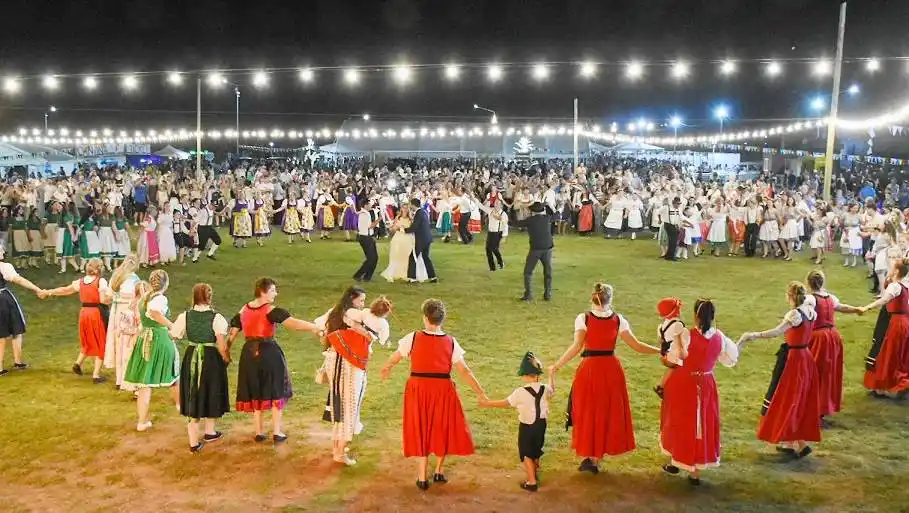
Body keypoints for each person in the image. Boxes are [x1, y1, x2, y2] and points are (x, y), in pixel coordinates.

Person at [550, 283, 660, 474]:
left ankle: (589, 455)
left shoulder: (583, 318)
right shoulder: (618, 320)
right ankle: (596, 458)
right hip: (611, 369)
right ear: (610, 299)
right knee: (605, 411)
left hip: (590, 369)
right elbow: (637, 345)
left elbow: (577, 346)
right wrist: (660, 351)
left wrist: (557, 365)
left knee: (587, 410)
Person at [380, 298, 487, 491]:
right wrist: (480, 392)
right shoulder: (451, 342)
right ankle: (438, 471)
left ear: (424, 317)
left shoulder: (411, 338)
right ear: (442, 319)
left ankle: (422, 477)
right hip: (442, 389)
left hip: (418, 389)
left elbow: (394, 358)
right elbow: (465, 371)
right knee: (442, 427)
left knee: (421, 428)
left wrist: (387, 367)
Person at [228, 277, 322, 443]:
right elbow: (293, 323)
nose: (276, 293)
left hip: (248, 354)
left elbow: (233, 333)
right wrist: (314, 326)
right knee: (275, 388)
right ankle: (277, 431)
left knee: (256, 389)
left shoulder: (244, 309)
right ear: (263, 292)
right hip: (269, 353)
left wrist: (226, 351)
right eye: (272, 290)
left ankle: (259, 431)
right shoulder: (270, 310)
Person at [659, 299, 738, 486]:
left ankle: (678, 461)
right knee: (701, 424)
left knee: (681, 422)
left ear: (696, 315)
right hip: (707, 383)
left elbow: (673, 360)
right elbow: (730, 360)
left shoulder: (686, 335)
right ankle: (694, 472)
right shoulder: (720, 337)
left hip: (684, 382)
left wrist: (663, 356)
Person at [738, 281, 820, 458]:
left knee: (787, 397)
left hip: (794, 359)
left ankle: (795, 441)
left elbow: (776, 332)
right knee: (798, 398)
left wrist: (752, 335)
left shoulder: (795, 314)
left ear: (790, 296)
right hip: (806, 356)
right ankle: (796, 443)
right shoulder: (811, 311)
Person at [317, 289, 392, 466]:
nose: (363, 304)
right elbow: (381, 339)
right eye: (361, 300)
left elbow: (320, 332)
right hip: (352, 365)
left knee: (339, 403)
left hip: (333, 359)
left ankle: (337, 448)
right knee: (351, 407)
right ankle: (339, 452)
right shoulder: (366, 318)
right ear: (352, 299)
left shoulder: (338, 312)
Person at [480, 352, 554, 492]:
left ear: (525, 375)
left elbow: (506, 403)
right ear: (538, 374)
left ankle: (531, 482)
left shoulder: (520, 392)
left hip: (527, 426)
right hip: (541, 425)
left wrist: (487, 403)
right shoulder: (545, 389)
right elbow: (552, 391)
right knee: (536, 450)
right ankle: (535, 473)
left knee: (526, 453)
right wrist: (551, 375)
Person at [170, 283, 230, 453]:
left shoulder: (185, 316)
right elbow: (221, 344)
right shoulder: (216, 318)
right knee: (211, 390)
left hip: (191, 357)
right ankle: (209, 432)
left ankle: (194, 441)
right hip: (211, 359)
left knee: (193, 392)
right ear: (209, 297)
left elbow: (174, 334)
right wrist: (226, 358)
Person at [121, 271, 181, 431]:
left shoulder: (145, 297)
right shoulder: (159, 299)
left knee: (145, 383)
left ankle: (142, 421)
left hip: (144, 338)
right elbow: (155, 312)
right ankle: (180, 405)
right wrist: (171, 326)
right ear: (165, 284)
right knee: (174, 371)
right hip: (158, 338)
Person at [805, 270, 862, 424]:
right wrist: (856, 309)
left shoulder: (810, 299)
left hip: (818, 338)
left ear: (809, 283)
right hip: (833, 337)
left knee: (816, 372)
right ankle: (823, 406)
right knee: (830, 372)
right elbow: (841, 307)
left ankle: (814, 408)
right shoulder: (830, 298)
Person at [45, 258, 112, 384]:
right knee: (101, 340)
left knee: (87, 340)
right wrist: (113, 298)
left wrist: (49, 292)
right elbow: (103, 300)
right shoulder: (101, 281)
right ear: (99, 269)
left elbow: (65, 290)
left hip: (84, 312)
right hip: (97, 313)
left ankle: (78, 363)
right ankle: (96, 375)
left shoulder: (80, 282)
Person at [857, 258, 909, 398]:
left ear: (897, 271)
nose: (890, 270)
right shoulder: (905, 285)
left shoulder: (896, 286)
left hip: (895, 322)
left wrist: (867, 307)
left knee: (886, 352)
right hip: (904, 322)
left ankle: (887, 384)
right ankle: (900, 382)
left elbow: (884, 300)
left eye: (892, 268)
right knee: (900, 353)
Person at [0, 245, 44, 376]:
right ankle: (16, 362)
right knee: (12, 331)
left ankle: (14, 362)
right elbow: (19, 280)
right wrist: (37, 289)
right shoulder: (4, 267)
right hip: (3, 300)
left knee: (9, 332)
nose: (3, 251)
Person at [103, 254, 141, 390]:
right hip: (129, 314)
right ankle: (127, 379)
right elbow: (139, 298)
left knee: (118, 345)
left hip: (116, 313)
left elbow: (107, 297)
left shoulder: (116, 277)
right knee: (128, 346)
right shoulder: (136, 281)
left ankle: (119, 379)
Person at [520, 202, 553, 301]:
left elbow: (515, 223)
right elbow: (556, 214)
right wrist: (547, 205)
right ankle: (548, 294)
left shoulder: (530, 220)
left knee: (528, 272)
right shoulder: (547, 218)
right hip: (547, 248)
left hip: (535, 249)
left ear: (532, 211)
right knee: (548, 272)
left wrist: (503, 219)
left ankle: (528, 295)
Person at [653, 297, 685, 398]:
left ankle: (661, 385)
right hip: (672, 353)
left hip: (665, 352)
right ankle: (662, 387)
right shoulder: (677, 325)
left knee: (671, 369)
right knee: (677, 367)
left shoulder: (662, 326)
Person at [404, 198, 438, 283]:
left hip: (421, 240)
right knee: (426, 257)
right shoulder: (423, 212)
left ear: (413, 205)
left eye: (410, 204)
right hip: (427, 239)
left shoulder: (419, 213)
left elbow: (414, 227)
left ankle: (412, 278)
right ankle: (433, 277)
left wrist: (403, 230)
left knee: (413, 257)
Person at [477, 197, 508, 272]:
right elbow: (480, 206)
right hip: (490, 233)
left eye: (498, 203)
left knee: (494, 248)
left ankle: (500, 261)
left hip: (498, 233)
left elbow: (505, 225)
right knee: (488, 249)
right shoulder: (490, 210)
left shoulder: (503, 214)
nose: (496, 205)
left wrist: (504, 236)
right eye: (495, 203)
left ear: (501, 205)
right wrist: (472, 197)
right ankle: (492, 267)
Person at [353, 198, 380, 283]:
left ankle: (367, 277)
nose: (370, 206)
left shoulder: (363, 213)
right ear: (365, 205)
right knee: (371, 259)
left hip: (366, 237)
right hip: (366, 237)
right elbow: (371, 226)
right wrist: (380, 218)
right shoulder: (365, 214)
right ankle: (359, 275)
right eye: (369, 204)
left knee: (373, 258)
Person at [663, 197, 683, 261]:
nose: (678, 205)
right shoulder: (667, 208)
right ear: (674, 203)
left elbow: (681, 217)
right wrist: (660, 219)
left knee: (672, 241)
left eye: (679, 204)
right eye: (677, 204)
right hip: (668, 225)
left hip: (675, 226)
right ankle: (670, 256)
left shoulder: (678, 209)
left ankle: (668, 255)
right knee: (673, 241)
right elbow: (658, 212)